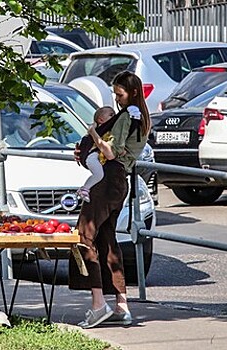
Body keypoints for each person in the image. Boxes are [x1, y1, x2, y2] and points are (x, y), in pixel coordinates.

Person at [68, 71, 151, 329]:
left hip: (107, 181)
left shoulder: (127, 116)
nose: (116, 99)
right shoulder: (141, 118)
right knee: (107, 239)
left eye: (120, 94)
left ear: (133, 92)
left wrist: (92, 136)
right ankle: (121, 304)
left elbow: (110, 152)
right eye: (115, 94)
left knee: (85, 237)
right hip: (119, 182)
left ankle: (97, 305)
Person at [76, 105, 142, 202]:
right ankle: (85, 189)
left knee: (99, 174)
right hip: (93, 156)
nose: (115, 117)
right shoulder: (101, 131)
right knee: (99, 174)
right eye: (111, 115)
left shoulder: (110, 130)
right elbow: (110, 149)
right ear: (101, 120)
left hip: (98, 158)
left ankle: (85, 189)